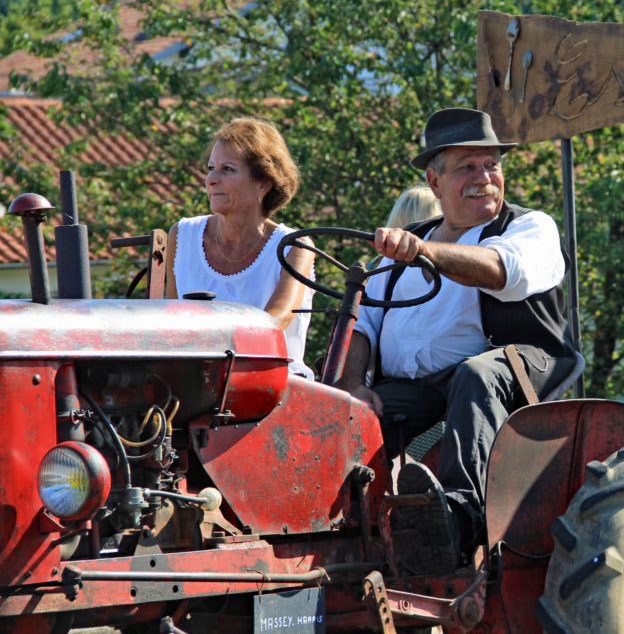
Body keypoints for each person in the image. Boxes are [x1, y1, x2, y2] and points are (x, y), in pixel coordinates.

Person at [339, 108, 577, 574]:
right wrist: (352, 385)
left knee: (477, 374)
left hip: (517, 368)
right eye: (467, 166)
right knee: (349, 413)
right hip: (422, 389)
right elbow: (362, 325)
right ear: (434, 180)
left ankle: (459, 519)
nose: (483, 177)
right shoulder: (406, 244)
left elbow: (501, 272)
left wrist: (426, 252)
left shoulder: (529, 227)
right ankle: (346, 524)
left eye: (492, 164)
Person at [166, 117, 316, 378]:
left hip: (270, 387)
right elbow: (166, 320)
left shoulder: (295, 247)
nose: (211, 179)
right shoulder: (181, 236)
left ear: (263, 183)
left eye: (227, 169)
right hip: (193, 383)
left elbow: (274, 322)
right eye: (211, 167)